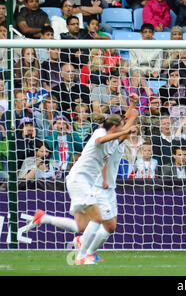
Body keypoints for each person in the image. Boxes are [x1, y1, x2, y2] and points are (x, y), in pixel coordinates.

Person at [25, 113, 138, 265]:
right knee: (97, 218)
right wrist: (125, 131)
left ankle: (43, 218)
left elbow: (125, 128)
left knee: (81, 226)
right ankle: (81, 257)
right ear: (113, 128)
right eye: (120, 128)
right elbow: (100, 140)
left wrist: (132, 110)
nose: (123, 130)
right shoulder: (100, 133)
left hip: (84, 182)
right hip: (79, 179)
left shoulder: (113, 143)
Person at [73, 98, 139, 262]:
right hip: (98, 186)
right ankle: (84, 249)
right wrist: (132, 116)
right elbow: (127, 124)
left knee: (110, 227)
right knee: (103, 223)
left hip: (109, 187)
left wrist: (132, 105)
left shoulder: (116, 137)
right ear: (115, 127)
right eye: (121, 127)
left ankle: (88, 250)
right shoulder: (106, 136)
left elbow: (128, 119)